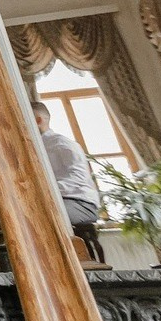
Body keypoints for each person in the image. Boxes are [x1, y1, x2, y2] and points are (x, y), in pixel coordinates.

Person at [34, 100, 105, 262]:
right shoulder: (35, 146)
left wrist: (43, 191)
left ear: (38, 120)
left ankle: (74, 265)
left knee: (44, 218)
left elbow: (77, 180)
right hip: (56, 200)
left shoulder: (62, 144)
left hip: (80, 203)